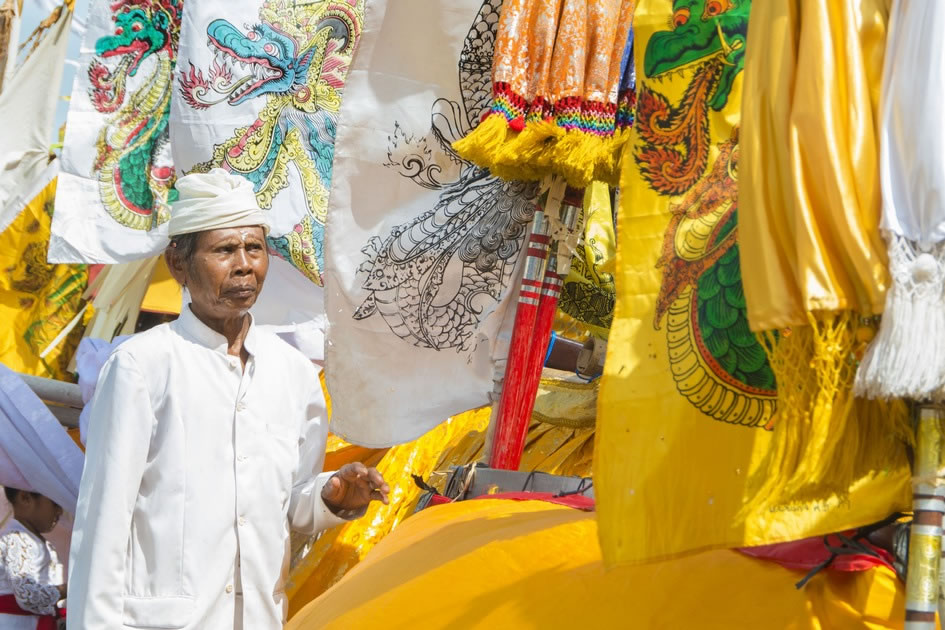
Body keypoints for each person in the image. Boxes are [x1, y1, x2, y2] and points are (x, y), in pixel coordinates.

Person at [67, 169, 390, 630]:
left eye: (253, 248)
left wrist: (334, 493)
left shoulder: (293, 374)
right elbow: (103, 521)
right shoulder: (143, 366)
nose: (244, 265)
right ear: (178, 263)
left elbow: (293, 503)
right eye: (224, 250)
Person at [0, 488, 65, 630]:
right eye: (55, 503)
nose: (60, 511)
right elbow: (27, 594)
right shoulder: (16, 538)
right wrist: (67, 590)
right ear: (25, 498)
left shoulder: (38, 542)